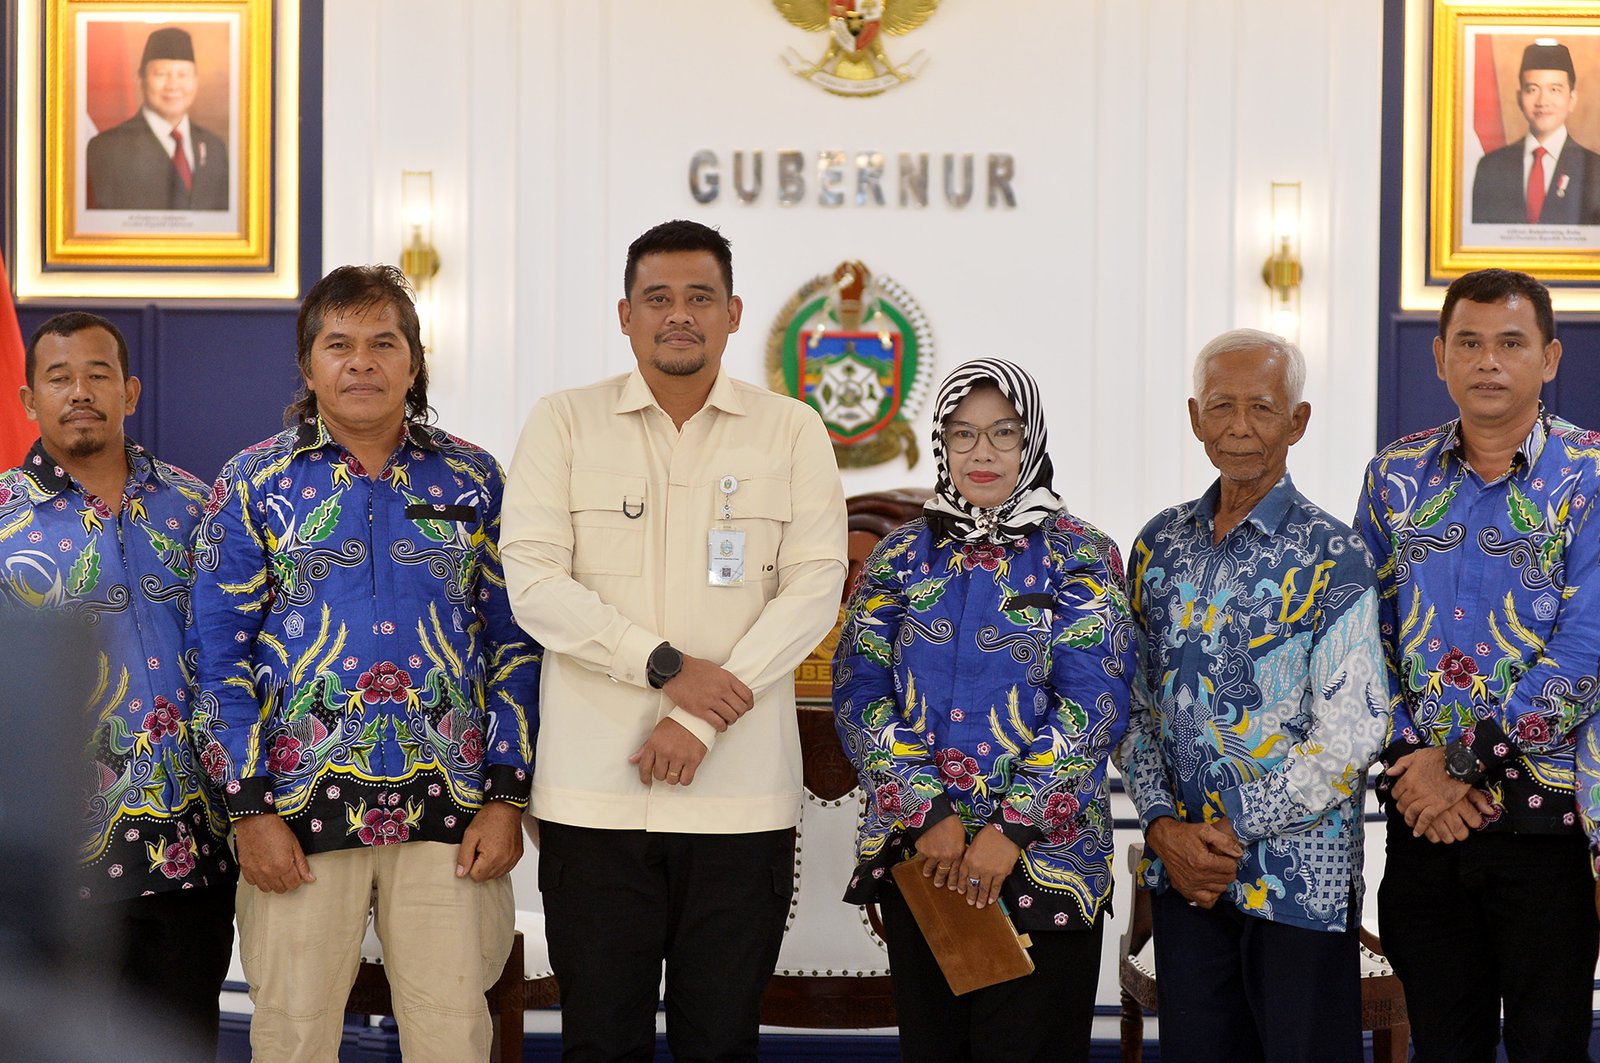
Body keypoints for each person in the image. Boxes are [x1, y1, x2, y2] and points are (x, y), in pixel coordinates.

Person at [499, 219, 847, 1062]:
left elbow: (814, 590)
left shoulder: (791, 429)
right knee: (599, 1043)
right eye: (658, 298)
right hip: (593, 800)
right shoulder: (564, 422)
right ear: (626, 315)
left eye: (699, 298)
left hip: (741, 801)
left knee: (719, 1043)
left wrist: (695, 715)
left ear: (733, 313)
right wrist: (664, 668)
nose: (679, 315)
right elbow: (535, 584)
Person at [190, 265, 539, 1062]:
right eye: (339, 344)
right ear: (308, 365)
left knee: (454, 1036)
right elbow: (217, 657)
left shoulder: (475, 478)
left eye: (383, 343)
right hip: (295, 812)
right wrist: (249, 810)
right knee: (293, 1037)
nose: (361, 362)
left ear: (414, 362)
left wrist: (507, 797)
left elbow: (515, 645)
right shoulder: (252, 481)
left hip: (454, 813)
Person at [832, 358, 1134, 1063]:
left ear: (1031, 440)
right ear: (942, 443)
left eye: (1003, 432)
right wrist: (929, 815)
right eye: (963, 434)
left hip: (1046, 861)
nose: (983, 452)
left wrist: (1010, 829)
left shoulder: (1080, 553)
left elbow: (1094, 704)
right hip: (926, 860)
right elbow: (859, 691)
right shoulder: (900, 555)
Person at [1116, 329, 1390, 1063]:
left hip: (1300, 880)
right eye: (1221, 406)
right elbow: (1131, 708)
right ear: (1194, 417)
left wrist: (1227, 828)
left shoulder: (1335, 555)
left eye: (1262, 408)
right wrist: (1164, 827)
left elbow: (1352, 732)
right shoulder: (1157, 546)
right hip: (1185, 876)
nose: (1239, 426)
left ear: (1296, 421)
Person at [1358, 268, 1600, 1061]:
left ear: (1549, 358)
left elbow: (1586, 653)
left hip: (1547, 831)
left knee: (1548, 1048)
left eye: (1511, 343)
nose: (1488, 361)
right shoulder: (1392, 476)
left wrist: (1460, 763)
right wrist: (1414, 765)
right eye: (1468, 342)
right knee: (1442, 1047)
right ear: (1440, 357)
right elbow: (1362, 639)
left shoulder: (1591, 474)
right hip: (1423, 823)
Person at [0, 312, 233, 1060]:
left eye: (97, 374)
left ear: (129, 391)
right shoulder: (3, 522)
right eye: (59, 377)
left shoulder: (199, 507)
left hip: (192, 846)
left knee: (179, 1045)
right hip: (60, 861)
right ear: (30, 399)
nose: (80, 392)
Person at [86, 26, 228, 211]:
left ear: (196, 81)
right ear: (141, 80)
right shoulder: (107, 149)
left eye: (183, 75)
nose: (173, 85)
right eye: (161, 74)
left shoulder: (215, 147)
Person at [1472, 41, 1600, 225]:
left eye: (1554, 90)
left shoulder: (1594, 169)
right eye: (1532, 89)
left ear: (1572, 99)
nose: (1542, 101)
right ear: (1519, 98)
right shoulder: (1490, 167)